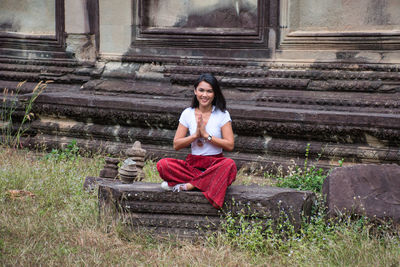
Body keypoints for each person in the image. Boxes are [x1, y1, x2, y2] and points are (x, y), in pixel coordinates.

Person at [156, 73, 237, 209]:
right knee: (163, 165)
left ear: (215, 93)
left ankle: (190, 185)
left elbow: (230, 145)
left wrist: (207, 136)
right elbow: (176, 144)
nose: (204, 95)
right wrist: (194, 136)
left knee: (229, 165)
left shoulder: (222, 114)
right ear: (195, 91)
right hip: (193, 165)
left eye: (209, 91)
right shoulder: (187, 113)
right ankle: (208, 182)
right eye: (201, 90)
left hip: (215, 164)